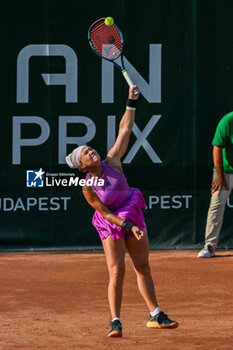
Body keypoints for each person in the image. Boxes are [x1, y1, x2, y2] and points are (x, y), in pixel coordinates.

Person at [66, 85, 179, 337]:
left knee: (142, 265)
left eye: (90, 147)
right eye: (85, 152)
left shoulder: (112, 161)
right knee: (117, 271)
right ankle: (115, 321)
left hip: (132, 210)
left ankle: (155, 314)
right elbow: (105, 214)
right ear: (82, 165)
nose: (91, 150)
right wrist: (127, 226)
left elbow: (125, 130)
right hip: (112, 222)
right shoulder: (87, 187)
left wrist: (131, 101)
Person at [198, 111, 233, 258]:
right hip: (225, 169)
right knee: (217, 204)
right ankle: (210, 245)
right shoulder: (227, 121)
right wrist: (219, 176)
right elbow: (217, 148)